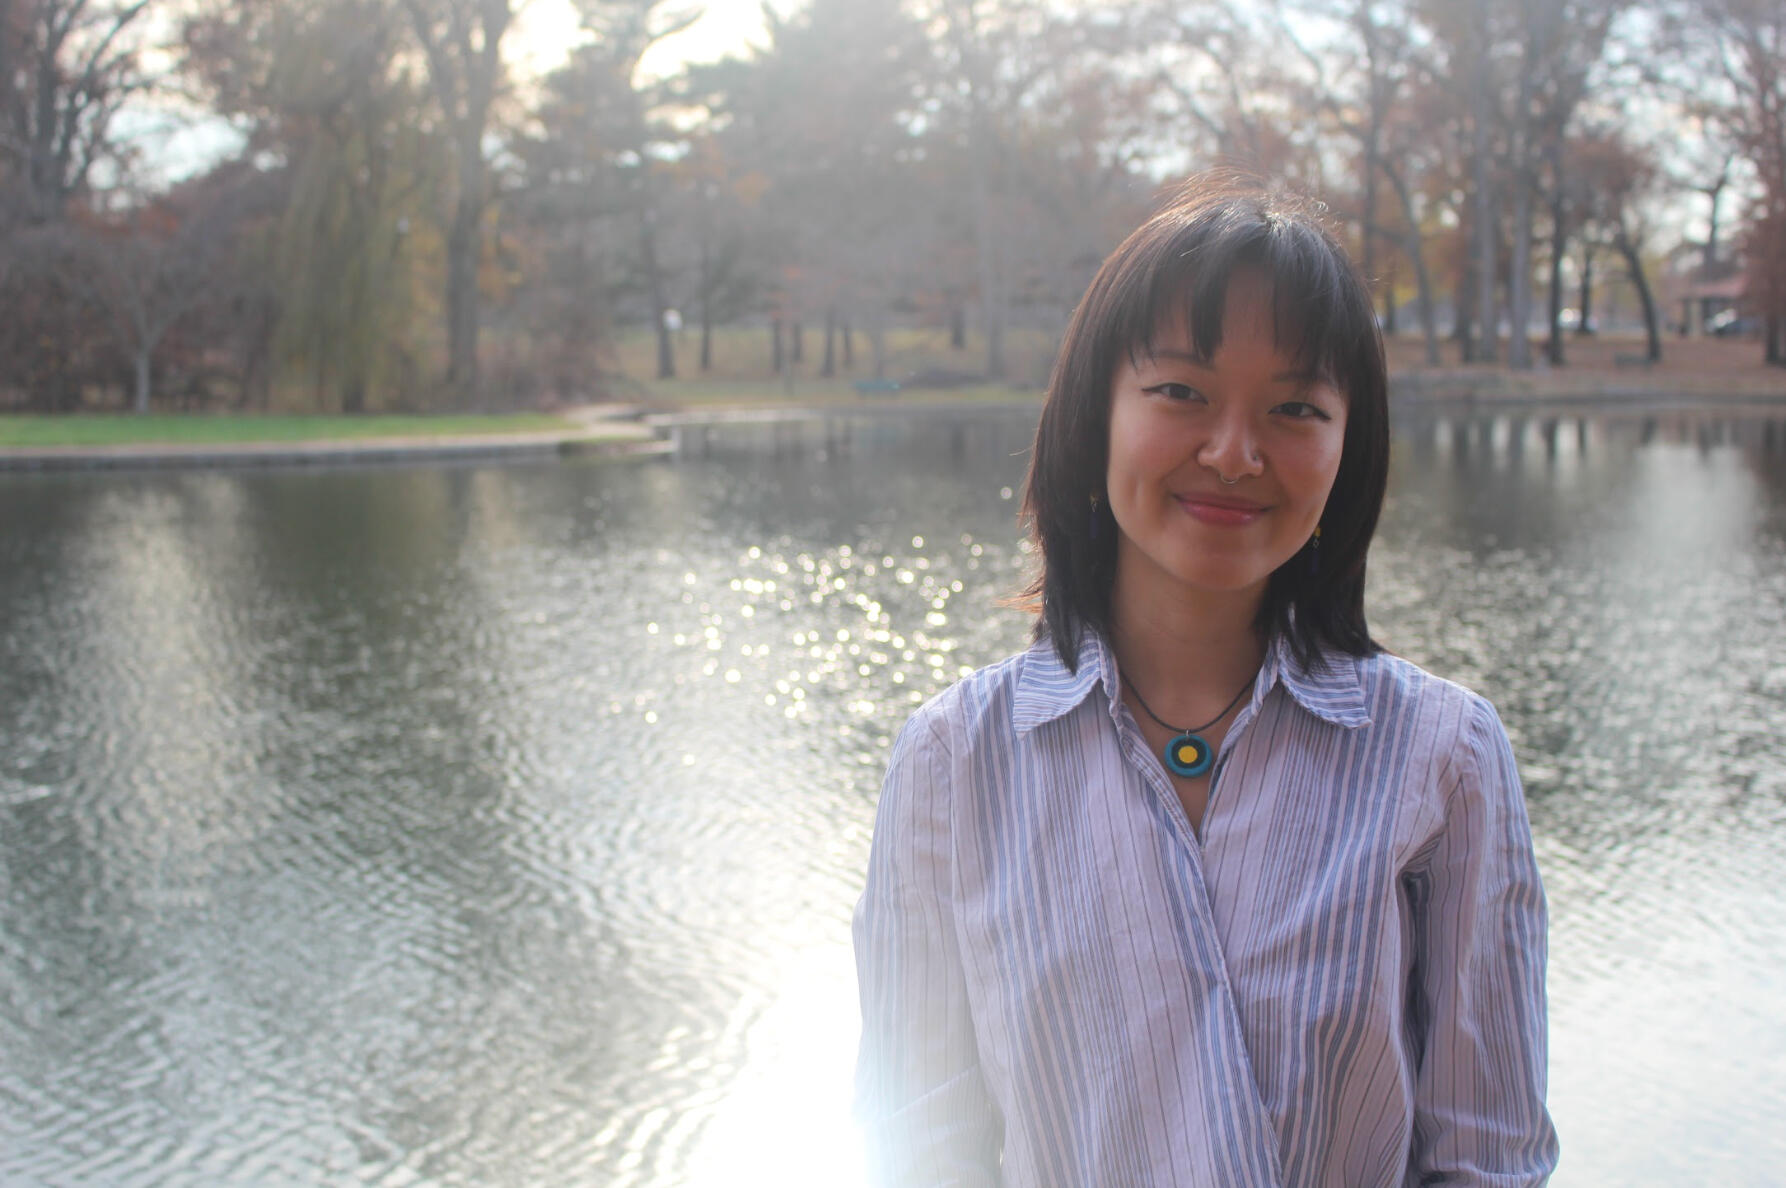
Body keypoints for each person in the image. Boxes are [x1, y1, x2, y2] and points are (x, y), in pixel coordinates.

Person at [852, 177, 1558, 1187]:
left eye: (1295, 407)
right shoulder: (953, 762)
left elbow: (1486, 1160)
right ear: (1095, 414)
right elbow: (918, 1152)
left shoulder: (1443, 757)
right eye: (1180, 391)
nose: (1234, 452)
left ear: (1347, 448)